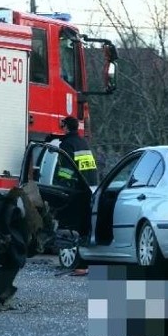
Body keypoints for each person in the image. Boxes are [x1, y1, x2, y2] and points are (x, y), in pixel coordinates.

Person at [58, 116, 98, 276]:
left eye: (63, 126)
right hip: (89, 189)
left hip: (75, 191)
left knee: (76, 230)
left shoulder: (67, 144)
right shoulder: (83, 143)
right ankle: (84, 263)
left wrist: (63, 185)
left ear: (66, 127)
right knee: (85, 228)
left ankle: (81, 264)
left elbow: (65, 169)